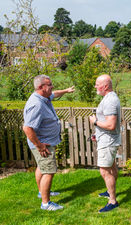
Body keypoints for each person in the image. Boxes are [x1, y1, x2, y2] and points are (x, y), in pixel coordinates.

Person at [23, 74, 75, 211]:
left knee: (42, 167)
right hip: (42, 144)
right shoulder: (37, 104)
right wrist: (39, 146)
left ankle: (42, 192)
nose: (52, 87)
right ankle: (46, 203)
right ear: (41, 87)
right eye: (50, 84)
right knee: (49, 171)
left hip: (44, 142)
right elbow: (27, 128)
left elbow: (55, 94)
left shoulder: (44, 97)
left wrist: (66, 91)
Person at [89, 74, 121, 213]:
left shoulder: (110, 101)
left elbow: (111, 125)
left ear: (105, 86)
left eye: (97, 84)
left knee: (105, 171)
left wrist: (95, 121)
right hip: (107, 139)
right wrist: (98, 134)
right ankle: (110, 191)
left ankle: (112, 200)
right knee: (111, 167)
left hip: (108, 142)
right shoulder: (109, 98)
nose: (95, 86)